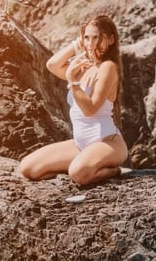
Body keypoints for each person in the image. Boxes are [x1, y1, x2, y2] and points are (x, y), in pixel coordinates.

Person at [20, 15, 128, 185]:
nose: (91, 43)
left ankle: (112, 170)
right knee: (28, 168)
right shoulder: (84, 66)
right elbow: (52, 65)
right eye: (87, 37)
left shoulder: (108, 67)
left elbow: (90, 109)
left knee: (78, 174)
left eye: (97, 37)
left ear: (110, 39)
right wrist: (77, 44)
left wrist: (72, 81)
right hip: (80, 145)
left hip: (108, 143)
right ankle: (83, 161)